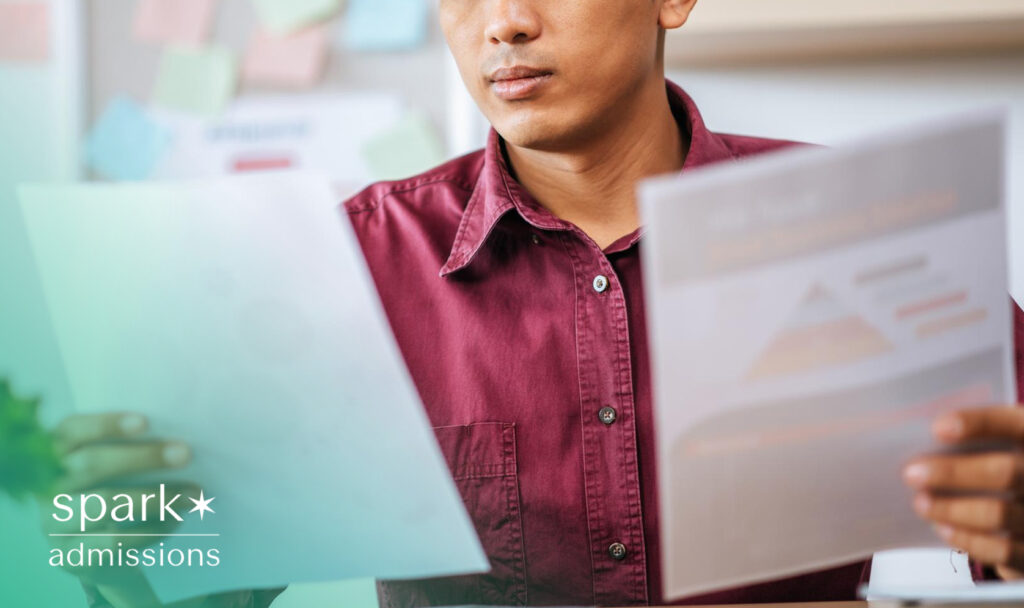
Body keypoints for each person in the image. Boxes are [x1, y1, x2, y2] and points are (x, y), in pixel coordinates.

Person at [56, 0, 1024, 606]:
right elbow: (206, 587)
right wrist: (116, 544)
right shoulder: (341, 268)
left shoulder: (866, 227)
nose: (503, 24)